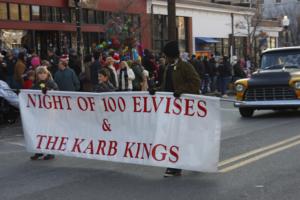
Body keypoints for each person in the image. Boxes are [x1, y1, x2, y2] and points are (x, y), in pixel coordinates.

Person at [156, 41, 200, 177]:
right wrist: (155, 90)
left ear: (171, 55)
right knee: (172, 136)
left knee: (181, 137)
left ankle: (178, 166)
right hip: (170, 108)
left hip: (183, 108)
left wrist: (181, 91)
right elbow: (165, 86)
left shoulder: (185, 67)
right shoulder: (168, 68)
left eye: (166, 55)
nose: (164, 57)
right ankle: (175, 164)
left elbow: (195, 82)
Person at [30, 66, 58, 160]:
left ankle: (51, 152)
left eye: (43, 73)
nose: (42, 75)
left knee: (48, 131)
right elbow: (31, 93)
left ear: (47, 73)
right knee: (39, 131)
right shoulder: (37, 83)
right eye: (40, 73)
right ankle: (39, 150)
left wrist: (49, 91)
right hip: (39, 111)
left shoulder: (51, 82)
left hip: (49, 111)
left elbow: (57, 92)